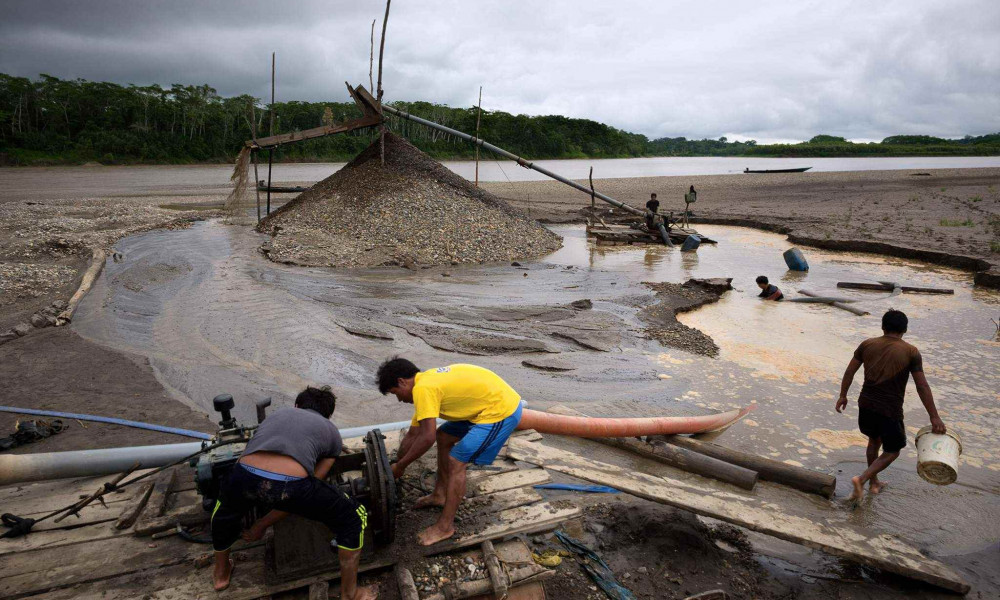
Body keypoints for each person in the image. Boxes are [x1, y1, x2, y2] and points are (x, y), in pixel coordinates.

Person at [210, 387, 377, 599]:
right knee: (354, 518)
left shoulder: (277, 415)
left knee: (223, 511)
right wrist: (263, 524)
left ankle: (221, 575)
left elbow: (247, 455)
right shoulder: (331, 432)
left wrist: (259, 525)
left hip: (243, 474)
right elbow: (310, 485)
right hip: (291, 485)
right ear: (328, 415)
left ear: (297, 405)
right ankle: (350, 593)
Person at [377, 359, 523, 546]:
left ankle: (445, 527)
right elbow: (414, 434)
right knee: (444, 436)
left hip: (501, 410)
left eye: (395, 393)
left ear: (401, 382)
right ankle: (440, 495)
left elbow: (426, 438)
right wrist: (396, 464)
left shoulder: (424, 389)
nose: (399, 399)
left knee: (456, 461)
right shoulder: (425, 384)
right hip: (482, 406)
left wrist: (401, 466)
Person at [835, 310, 946, 503]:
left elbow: (849, 371)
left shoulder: (867, 344)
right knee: (893, 450)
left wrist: (843, 395)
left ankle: (874, 482)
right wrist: (934, 416)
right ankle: (862, 479)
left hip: (866, 403)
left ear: (882, 326)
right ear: (905, 329)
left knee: (874, 440)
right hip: (889, 408)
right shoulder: (911, 352)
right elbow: (922, 385)